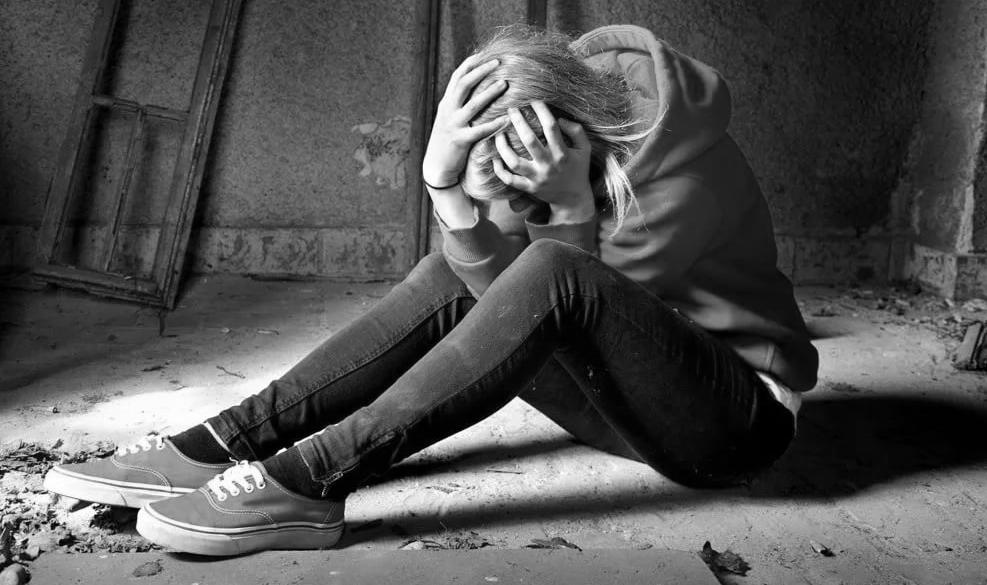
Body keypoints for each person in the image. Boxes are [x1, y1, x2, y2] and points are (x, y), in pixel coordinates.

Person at [43, 24, 818, 556]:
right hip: (625, 407)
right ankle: (225, 441)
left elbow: (556, 302)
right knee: (454, 267)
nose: (509, 194)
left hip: (731, 424)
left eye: (512, 178)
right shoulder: (556, 133)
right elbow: (495, 289)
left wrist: (568, 212)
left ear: (560, 134)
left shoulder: (684, 180)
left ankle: (309, 480)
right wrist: (445, 184)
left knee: (549, 271)